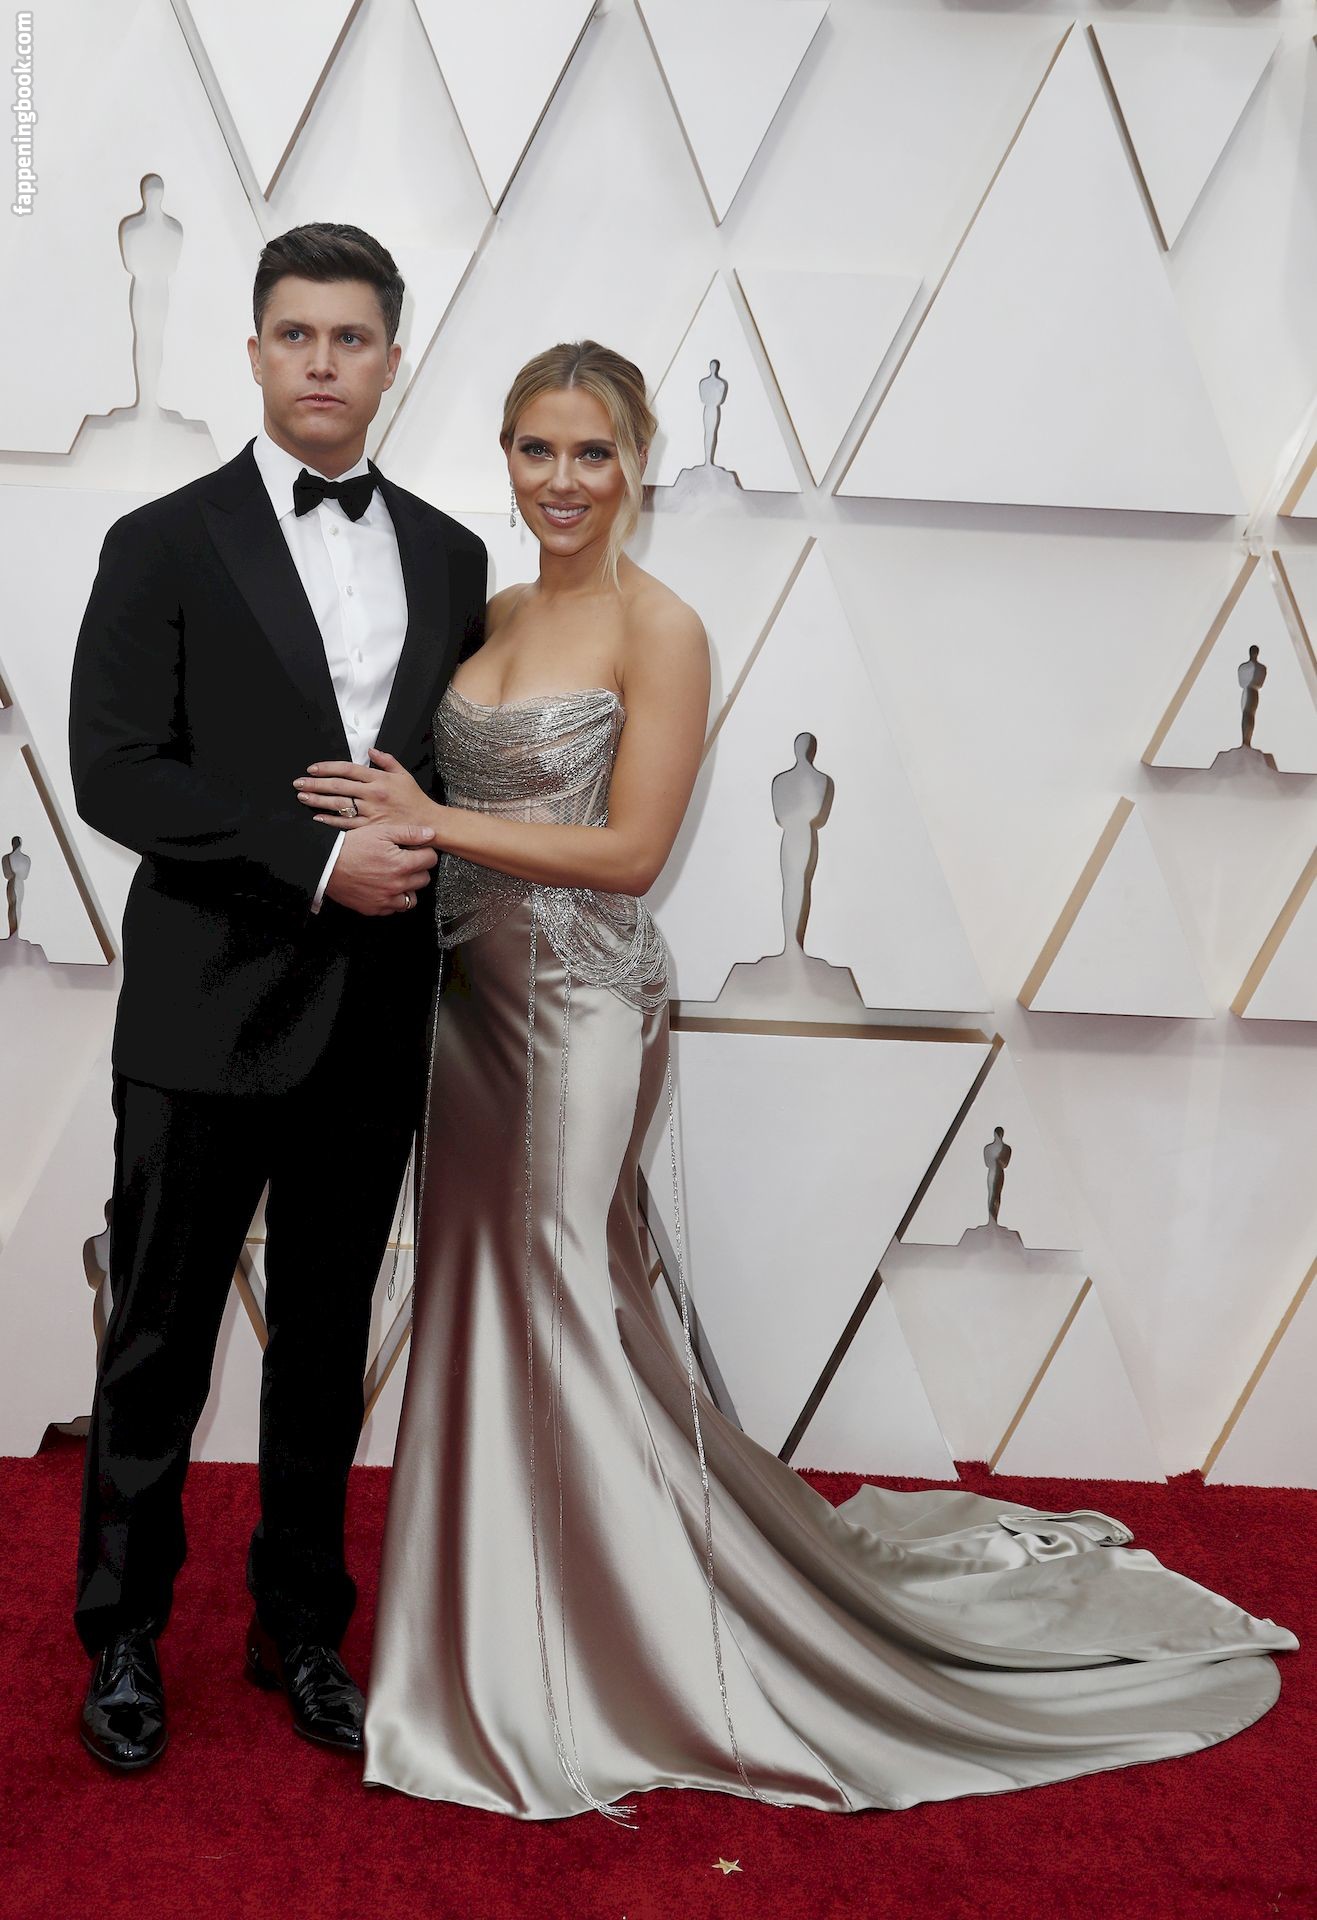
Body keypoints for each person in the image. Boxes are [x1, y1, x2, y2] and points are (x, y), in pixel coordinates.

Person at [293, 341, 1297, 1821]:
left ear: (637, 464)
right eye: (535, 450)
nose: (562, 481)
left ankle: (612, 1657)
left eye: (590, 453)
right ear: (504, 458)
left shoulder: (664, 627)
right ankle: (503, 1627)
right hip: (465, 1005)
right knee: (496, 1297)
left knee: (555, 1281)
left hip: (577, 1006)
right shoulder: (493, 612)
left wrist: (437, 820)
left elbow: (632, 853)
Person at [68, 222, 486, 1770]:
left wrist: (425, 841)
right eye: (296, 334)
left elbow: (448, 771)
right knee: (158, 1341)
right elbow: (115, 770)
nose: (322, 362)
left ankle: (300, 1629)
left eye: (350, 337)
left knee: (323, 1343)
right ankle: (123, 1635)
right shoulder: (161, 540)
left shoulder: (452, 556)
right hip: (201, 1011)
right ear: (254, 352)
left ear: (391, 360)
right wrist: (314, 863)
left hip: (375, 1020)